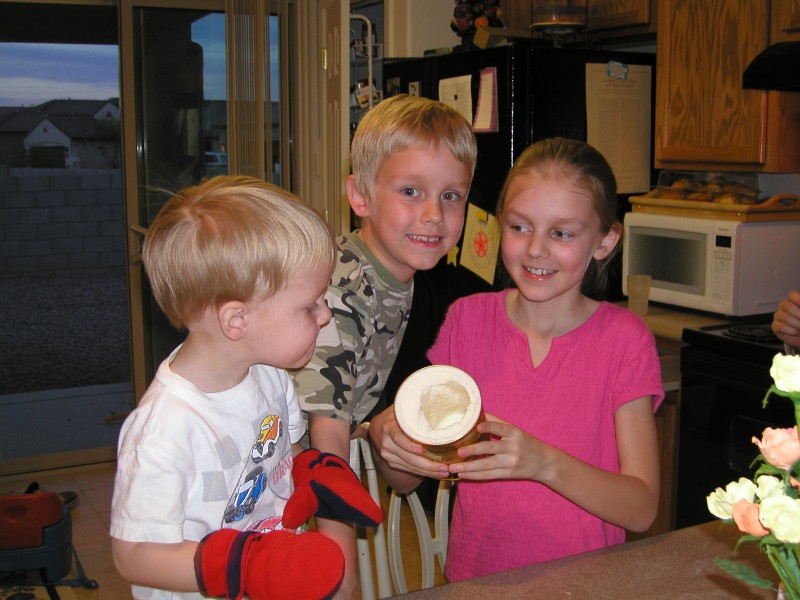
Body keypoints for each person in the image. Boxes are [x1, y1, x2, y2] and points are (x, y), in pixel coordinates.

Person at [110, 176, 382, 600]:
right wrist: (244, 564)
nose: (326, 314)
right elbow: (134, 555)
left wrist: (310, 472)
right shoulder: (164, 432)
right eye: (309, 305)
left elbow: (280, 453)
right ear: (237, 320)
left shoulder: (269, 376)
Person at [426, 137, 664, 580]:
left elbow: (641, 508)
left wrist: (543, 463)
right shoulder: (467, 320)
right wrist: (392, 438)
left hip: (585, 587)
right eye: (519, 227)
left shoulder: (625, 341)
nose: (535, 249)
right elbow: (424, 458)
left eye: (561, 233)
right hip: (476, 582)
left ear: (605, 240)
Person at [291, 94, 478, 597]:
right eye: (411, 191)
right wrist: (342, 580)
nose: (434, 215)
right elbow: (324, 451)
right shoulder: (340, 290)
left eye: (452, 196)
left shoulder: (402, 275)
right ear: (361, 196)